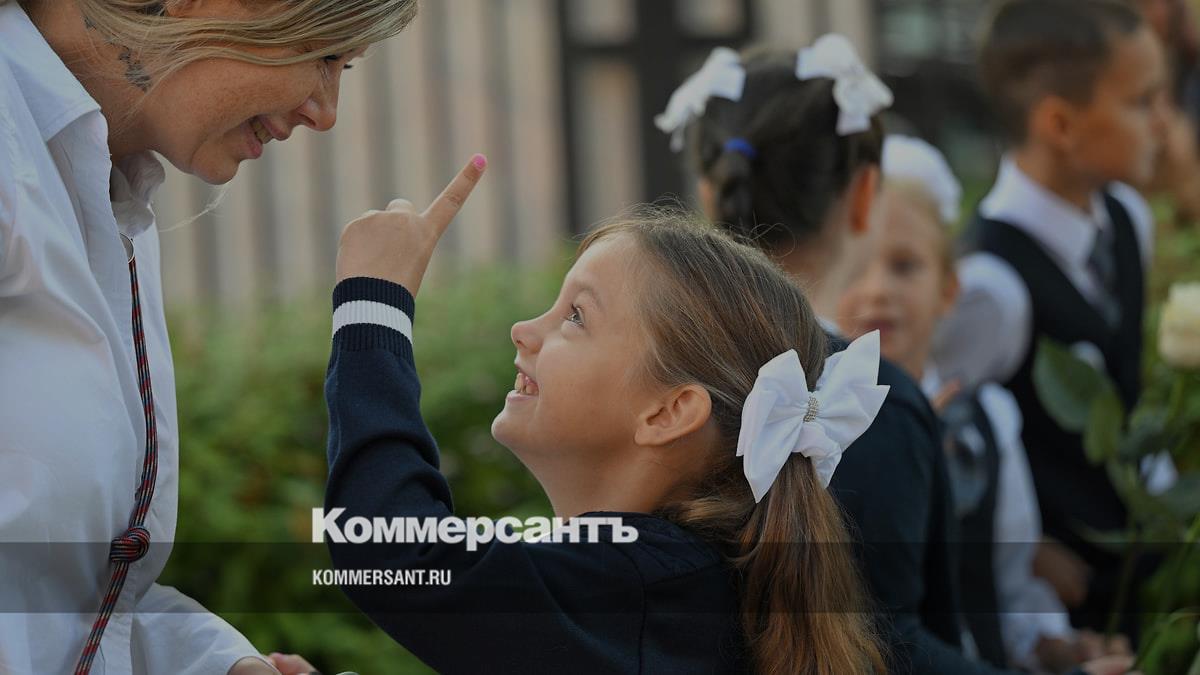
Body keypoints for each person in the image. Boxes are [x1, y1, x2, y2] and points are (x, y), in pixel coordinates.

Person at [657, 35, 1138, 675]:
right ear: (865, 196)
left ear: (709, 193)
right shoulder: (870, 401)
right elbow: (895, 645)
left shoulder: (653, 379)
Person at [324, 157, 891, 673]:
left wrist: (373, 305)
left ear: (668, 412)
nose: (523, 330)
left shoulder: (638, 588)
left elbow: (392, 549)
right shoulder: (672, 589)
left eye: (575, 315)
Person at [0, 1, 417, 673]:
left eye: (346, 67)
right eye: (324, 53)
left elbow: (74, 603)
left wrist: (219, 664)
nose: (325, 112)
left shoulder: (104, 186)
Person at [839, 135, 1132, 673]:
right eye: (857, 267)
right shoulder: (820, 430)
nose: (878, 289)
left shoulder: (988, 421)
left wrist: (1055, 647)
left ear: (949, 289)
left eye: (904, 266)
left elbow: (1009, 590)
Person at [938, 0, 1171, 637]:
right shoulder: (989, 284)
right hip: (1050, 619)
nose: (1163, 122)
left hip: (1134, 587)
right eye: (1142, 102)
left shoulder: (1128, 219)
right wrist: (1025, 547)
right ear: (1060, 124)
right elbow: (939, 445)